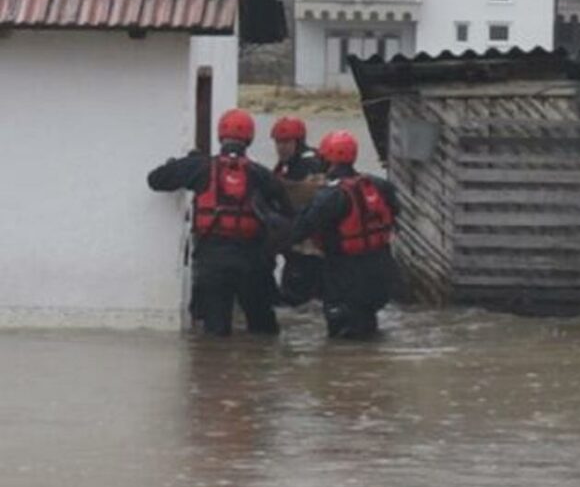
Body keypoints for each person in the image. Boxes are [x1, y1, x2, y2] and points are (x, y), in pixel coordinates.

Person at [148, 109, 293, 336]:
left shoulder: (200, 166)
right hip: (251, 261)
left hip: (212, 260)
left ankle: (217, 369)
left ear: (220, 136)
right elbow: (287, 212)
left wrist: (180, 163)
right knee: (264, 332)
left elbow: (155, 180)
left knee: (215, 335)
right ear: (250, 139)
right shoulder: (261, 174)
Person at [291, 130, 400, 340]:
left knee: (343, 340)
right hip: (380, 275)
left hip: (345, 278)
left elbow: (300, 229)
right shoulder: (379, 186)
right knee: (369, 330)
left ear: (328, 159)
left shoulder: (331, 195)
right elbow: (394, 213)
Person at [270, 116, 327, 306]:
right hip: (298, 248)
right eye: (278, 142)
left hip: (310, 250)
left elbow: (305, 197)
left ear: (298, 142)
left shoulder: (310, 164)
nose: (281, 147)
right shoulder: (287, 165)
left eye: (286, 142)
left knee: (296, 300)